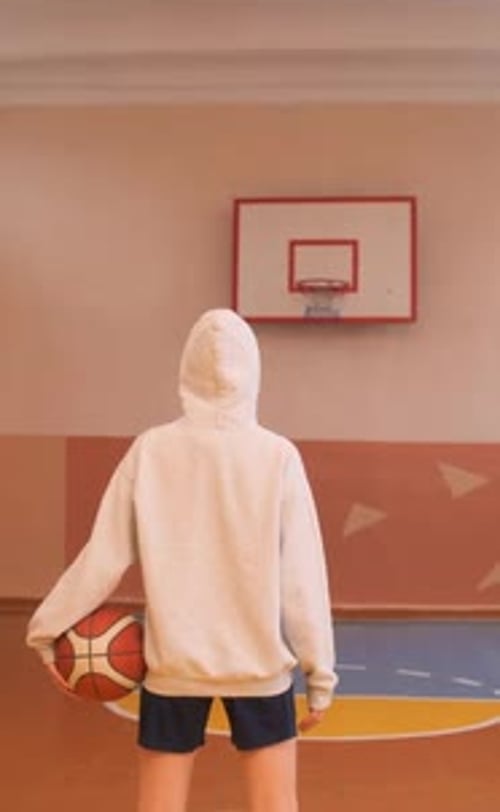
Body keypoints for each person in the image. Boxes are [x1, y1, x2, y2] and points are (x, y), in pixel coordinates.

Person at [26, 308, 337, 812]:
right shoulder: (277, 455)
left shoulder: (151, 450)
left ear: (185, 372)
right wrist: (319, 675)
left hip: (172, 665)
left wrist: (47, 629)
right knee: (275, 805)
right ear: (254, 372)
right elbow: (303, 577)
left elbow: (102, 555)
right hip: (258, 668)